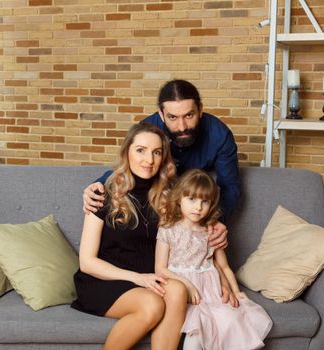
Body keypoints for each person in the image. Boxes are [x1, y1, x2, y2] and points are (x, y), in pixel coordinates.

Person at [71, 123, 187, 350]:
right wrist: (138, 278)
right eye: (141, 150)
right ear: (127, 153)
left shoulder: (170, 196)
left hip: (149, 279)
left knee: (178, 289)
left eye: (156, 152)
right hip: (103, 280)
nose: (149, 160)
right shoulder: (102, 193)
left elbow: (195, 228)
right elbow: (87, 262)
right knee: (152, 305)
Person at [83, 79, 240, 244]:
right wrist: (98, 186)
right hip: (160, 199)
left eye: (189, 115)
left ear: (200, 110)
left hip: (192, 204)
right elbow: (130, 165)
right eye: (172, 117)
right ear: (161, 115)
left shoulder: (220, 135)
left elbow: (230, 187)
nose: (182, 127)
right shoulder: (148, 128)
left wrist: (215, 220)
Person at [155, 169, 272, 350]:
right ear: (179, 198)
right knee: (195, 329)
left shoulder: (211, 232)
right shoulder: (168, 229)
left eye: (205, 201)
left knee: (220, 325)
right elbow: (160, 269)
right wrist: (186, 284)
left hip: (210, 293)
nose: (198, 207)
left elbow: (224, 267)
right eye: (191, 199)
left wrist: (235, 291)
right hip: (182, 292)